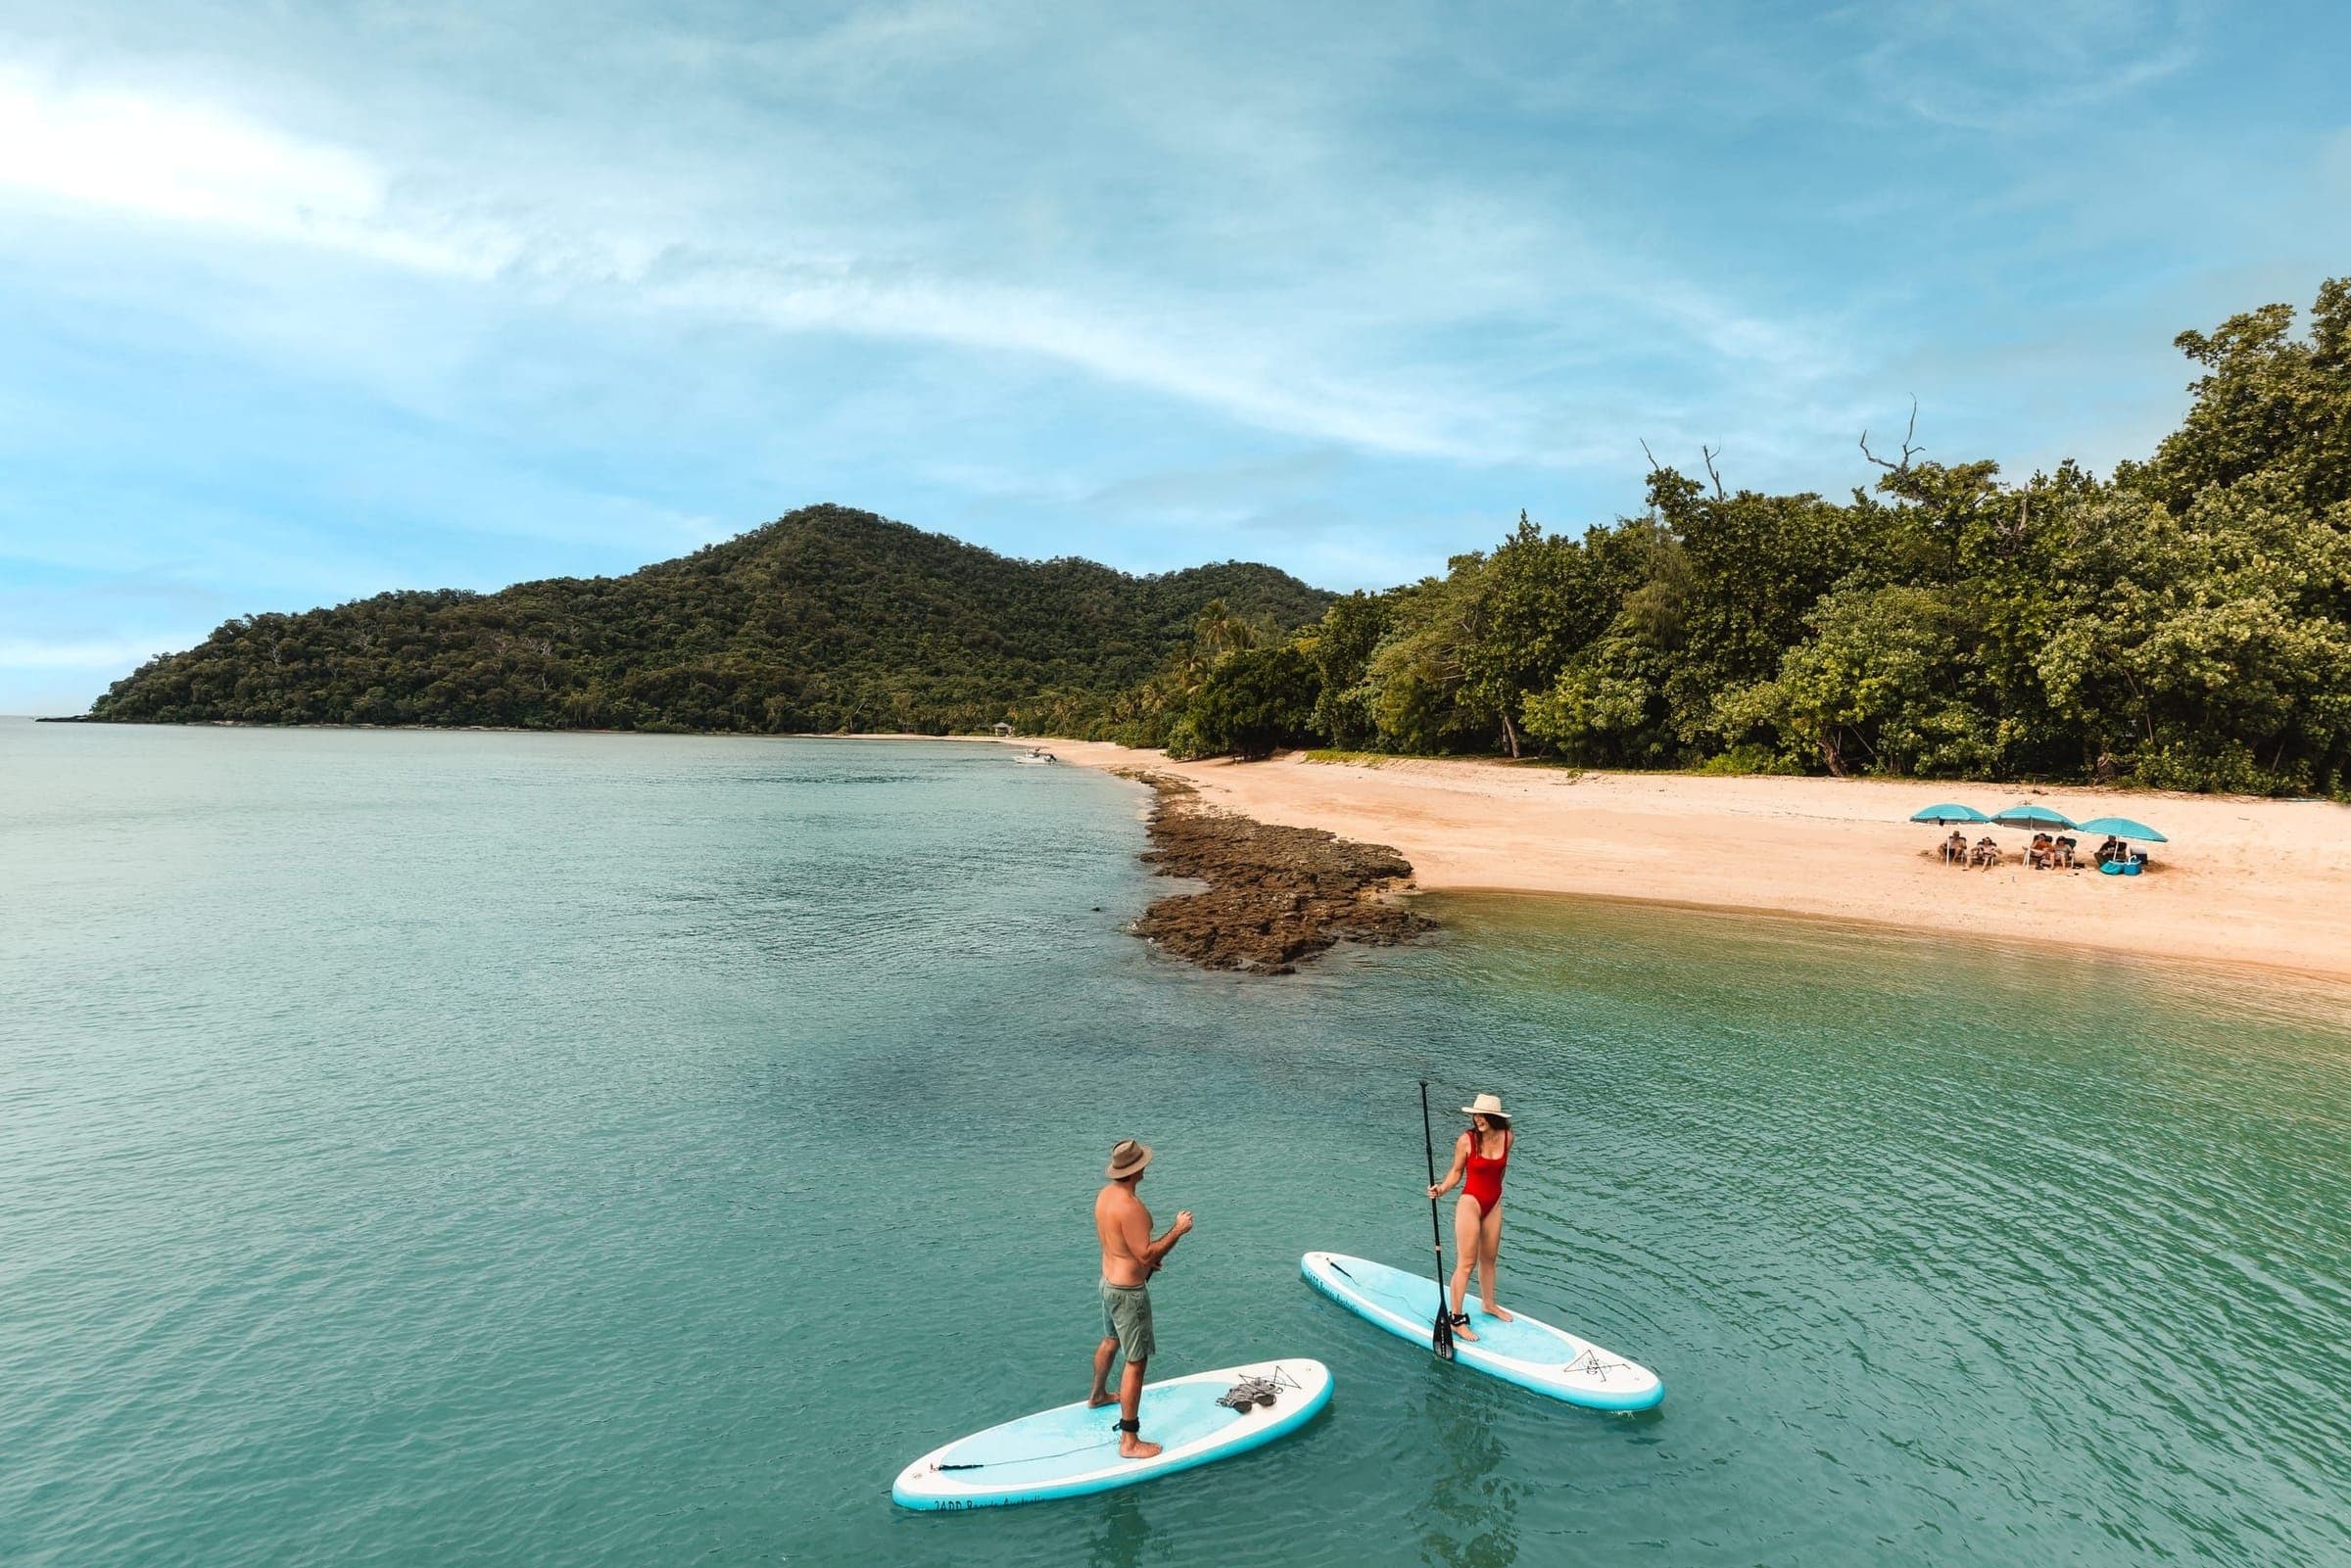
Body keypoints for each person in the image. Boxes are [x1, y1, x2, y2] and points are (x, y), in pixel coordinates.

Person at [1087, 1139, 1192, 1459]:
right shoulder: (1131, 1207)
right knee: (1136, 1361)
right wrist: (1178, 1230)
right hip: (1128, 1294)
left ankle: (1098, 1395)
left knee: (1109, 1340)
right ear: (1137, 1170)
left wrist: (1143, 1261)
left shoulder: (1105, 1197)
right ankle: (1129, 1441)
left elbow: (1124, 1247)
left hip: (1108, 1282)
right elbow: (1146, 1252)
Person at [1425, 1093, 1514, 1342]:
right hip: (1470, 1203)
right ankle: (1456, 1319)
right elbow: (1456, 1173)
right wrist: (1441, 1189)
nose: (1477, 1119)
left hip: (1493, 1204)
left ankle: (1488, 1304)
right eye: (1475, 1115)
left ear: (1494, 1118)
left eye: (1482, 1115)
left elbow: (1499, 1173)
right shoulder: (1466, 1141)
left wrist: (1495, 1197)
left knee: (1489, 1259)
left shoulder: (1508, 1138)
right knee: (1466, 1263)